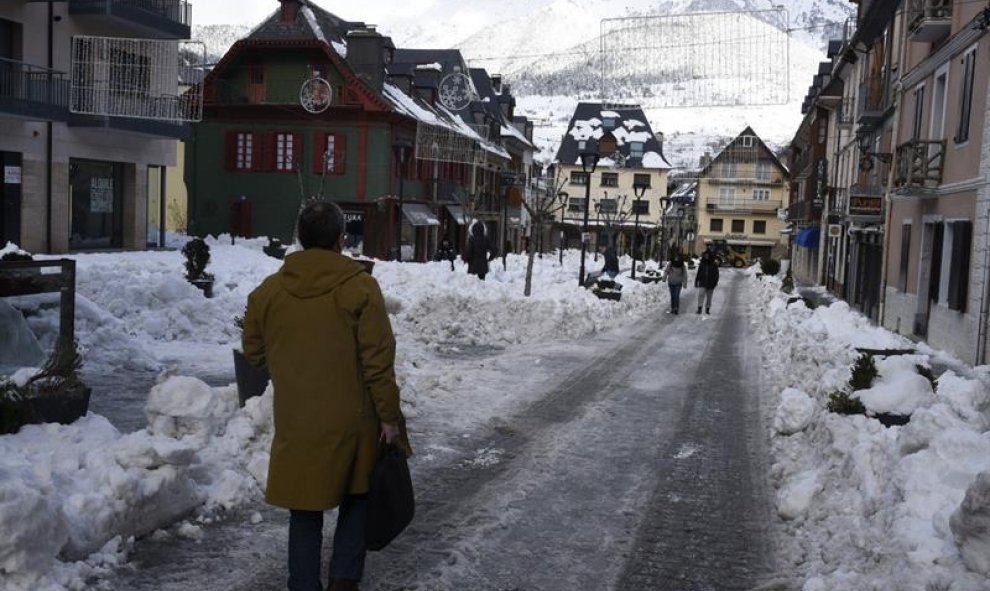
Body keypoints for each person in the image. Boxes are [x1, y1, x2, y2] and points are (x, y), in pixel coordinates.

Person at [242, 200, 411, 591]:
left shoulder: (267, 292)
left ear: (300, 239)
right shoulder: (360, 288)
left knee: (304, 511)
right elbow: (378, 362)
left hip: (297, 421)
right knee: (357, 499)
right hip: (353, 422)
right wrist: (389, 418)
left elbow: (254, 351)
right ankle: (343, 582)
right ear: (340, 239)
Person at [695, 247, 720, 314]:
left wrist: (715, 282)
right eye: (705, 255)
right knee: (701, 295)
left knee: (709, 297)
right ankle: (699, 308)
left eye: (707, 255)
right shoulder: (702, 264)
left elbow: (716, 274)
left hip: (711, 283)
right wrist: (696, 281)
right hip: (702, 282)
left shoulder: (714, 264)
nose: (706, 256)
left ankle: (707, 309)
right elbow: (699, 273)